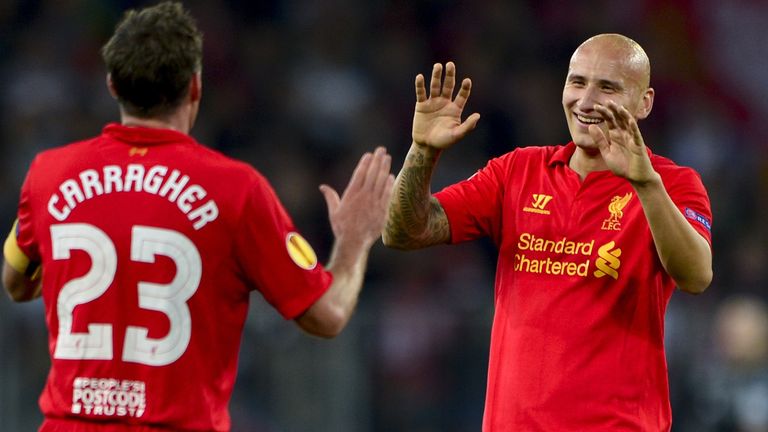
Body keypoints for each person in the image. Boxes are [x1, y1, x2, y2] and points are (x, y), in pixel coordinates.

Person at [2, 2, 394, 431]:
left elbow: (16, 284)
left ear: (113, 85)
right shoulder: (236, 190)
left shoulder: (48, 175)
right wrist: (355, 238)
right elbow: (329, 314)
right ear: (195, 86)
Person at [383, 33, 713, 431]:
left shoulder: (674, 184)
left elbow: (696, 276)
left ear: (644, 103)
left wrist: (646, 185)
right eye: (577, 82)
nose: (586, 101)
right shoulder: (516, 172)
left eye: (607, 87)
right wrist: (422, 151)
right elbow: (402, 233)